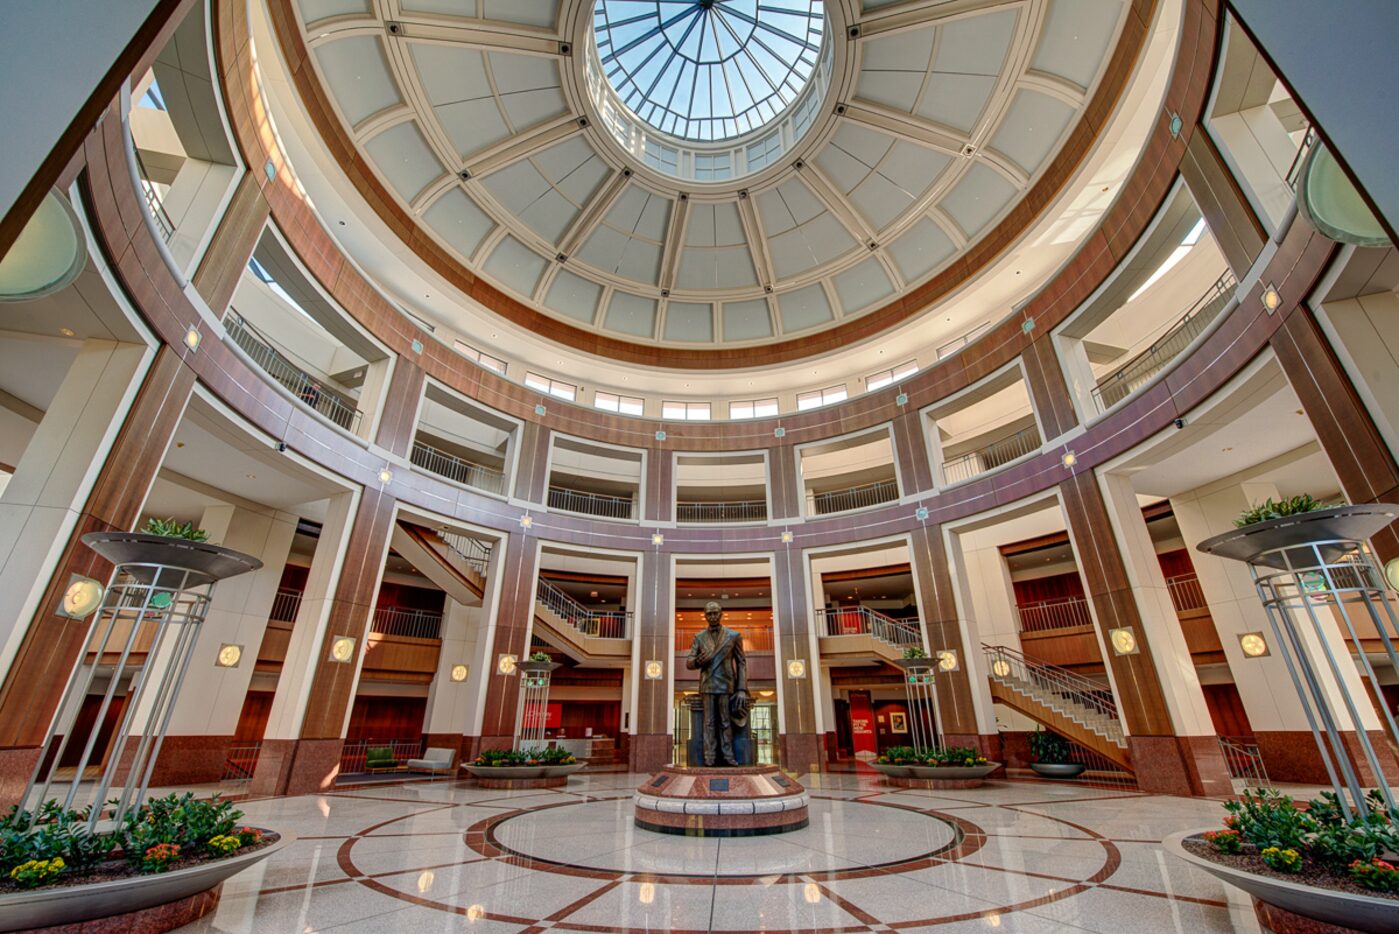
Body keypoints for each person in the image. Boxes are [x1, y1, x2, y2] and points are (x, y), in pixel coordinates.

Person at [685, 600, 749, 766]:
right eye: (709, 613)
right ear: (704, 615)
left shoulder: (733, 636)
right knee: (709, 722)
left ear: (721, 614)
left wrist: (741, 688)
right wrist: (698, 661)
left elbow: (741, 662)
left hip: (727, 685)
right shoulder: (699, 637)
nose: (712, 616)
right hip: (708, 684)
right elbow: (689, 662)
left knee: (725, 721)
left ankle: (728, 755)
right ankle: (709, 755)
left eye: (715, 613)